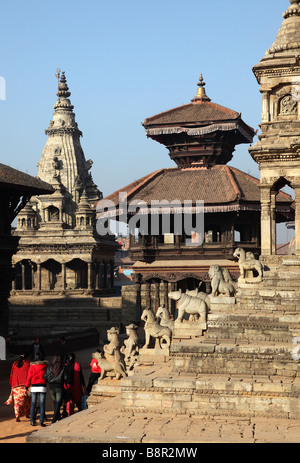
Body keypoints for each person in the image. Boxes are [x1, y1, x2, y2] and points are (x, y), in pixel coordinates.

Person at [4, 353, 31, 422]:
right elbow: (30, 375)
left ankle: (17, 416)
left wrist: (12, 385)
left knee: (17, 403)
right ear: (27, 358)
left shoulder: (15, 364)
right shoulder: (28, 364)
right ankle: (27, 414)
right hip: (25, 386)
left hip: (16, 386)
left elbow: (12, 374)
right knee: (27, 401)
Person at [25, 351, 48, 426]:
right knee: (42, 404)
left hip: (34, 387)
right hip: (42, 386)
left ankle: (32, 421)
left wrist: (26, 386)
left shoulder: (32, 366)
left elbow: (29, 377)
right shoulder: (45, 366)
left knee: (33, 404)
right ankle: (41, 421)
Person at [44, 353, 65, 423]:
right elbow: (65, 377)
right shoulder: (62, 367)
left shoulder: (49, 368)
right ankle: (54, 419)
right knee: (58, 403)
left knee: (55, 403)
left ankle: (58, 417)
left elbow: (45, 377)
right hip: (59, 387)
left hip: (51, 388)